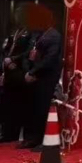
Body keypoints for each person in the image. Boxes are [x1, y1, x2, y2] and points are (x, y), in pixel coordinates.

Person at [21, 18, 62, 150]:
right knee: (34, 110)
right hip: (35, 77)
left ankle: (44, 141)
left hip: (46, 77)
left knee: (43, 110)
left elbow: (50, 59)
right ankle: (33, 138)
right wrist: (28, 71)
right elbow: (29, 53)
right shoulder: (37, 34)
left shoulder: (54, 36)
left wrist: (34, 72)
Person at [0, 26, 32, 142]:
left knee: (18, 106)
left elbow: (29, 51)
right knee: (7, 105)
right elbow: (5, 50)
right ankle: (6, 134)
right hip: (8, 73)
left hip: (21, 71)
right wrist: (6, 60)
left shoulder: (30, 32)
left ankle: (16, 136)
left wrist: (14, 59)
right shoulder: (14, 31)